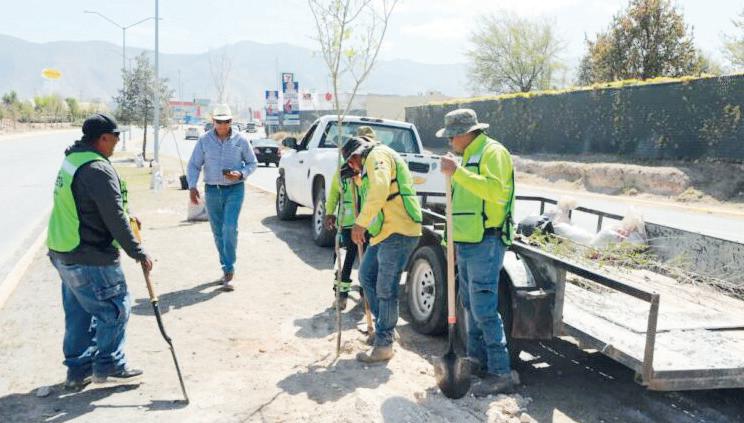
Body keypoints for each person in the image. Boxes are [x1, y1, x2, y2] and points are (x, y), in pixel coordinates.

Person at [47, 113, 153, 391]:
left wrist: (128, 217)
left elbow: (91, 205)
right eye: (115, 137)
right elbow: (113, 216)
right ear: (103, 138)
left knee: (79, 313)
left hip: (64, 251)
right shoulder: (97, 169)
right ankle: (109, 365)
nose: (117, 141)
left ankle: (78, 370)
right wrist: (137, 251)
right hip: (90, 255)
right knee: (116, 308)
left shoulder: (73, 160)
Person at [437, 108, 518, 396]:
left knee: (484, 308)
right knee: (469, 305)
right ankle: (475, 359)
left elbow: (496, 192)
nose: (450, 142)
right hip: (467, 241)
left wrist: (457, 172)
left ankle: (501, 372)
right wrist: (450, 239)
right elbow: (458, 202)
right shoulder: (469, 156)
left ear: (464, 133)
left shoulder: (492, 153)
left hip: (486, 241)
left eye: (451, 137)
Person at [341, 135, 422, 363]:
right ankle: (386, 329)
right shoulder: (369, 163)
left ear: (356, 156)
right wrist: (357, 179)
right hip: (385, 232)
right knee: (366, 276)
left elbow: (379, 189)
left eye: (351, 163)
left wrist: (360, 223)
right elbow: (372, 189)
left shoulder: (377, 156)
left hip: (399, 229)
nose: (352, 167)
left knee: (386, 288)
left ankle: (384, 343)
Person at [187, 104, 258, 291]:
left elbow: (252, 163)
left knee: (229, 228)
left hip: (235, 190)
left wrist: (240, 174)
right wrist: (192, 186)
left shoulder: (241, 140)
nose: (222, 125)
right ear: (213, 121)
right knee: (218, 232)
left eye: (226, 121)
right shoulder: (204, 140)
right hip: (212, 191)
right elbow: (194, 165)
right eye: (219, 121)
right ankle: (225, 267)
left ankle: (230, 270)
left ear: (231, 121)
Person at [323, 126, 376, 310]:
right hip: (347, 223)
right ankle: (341, 295)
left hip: (368, 224)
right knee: (346, 259)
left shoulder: (373, 165)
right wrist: (329, 212)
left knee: (367, 261)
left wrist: (359, 177)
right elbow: (334, 192)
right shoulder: (345, 166)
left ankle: (366, 294)